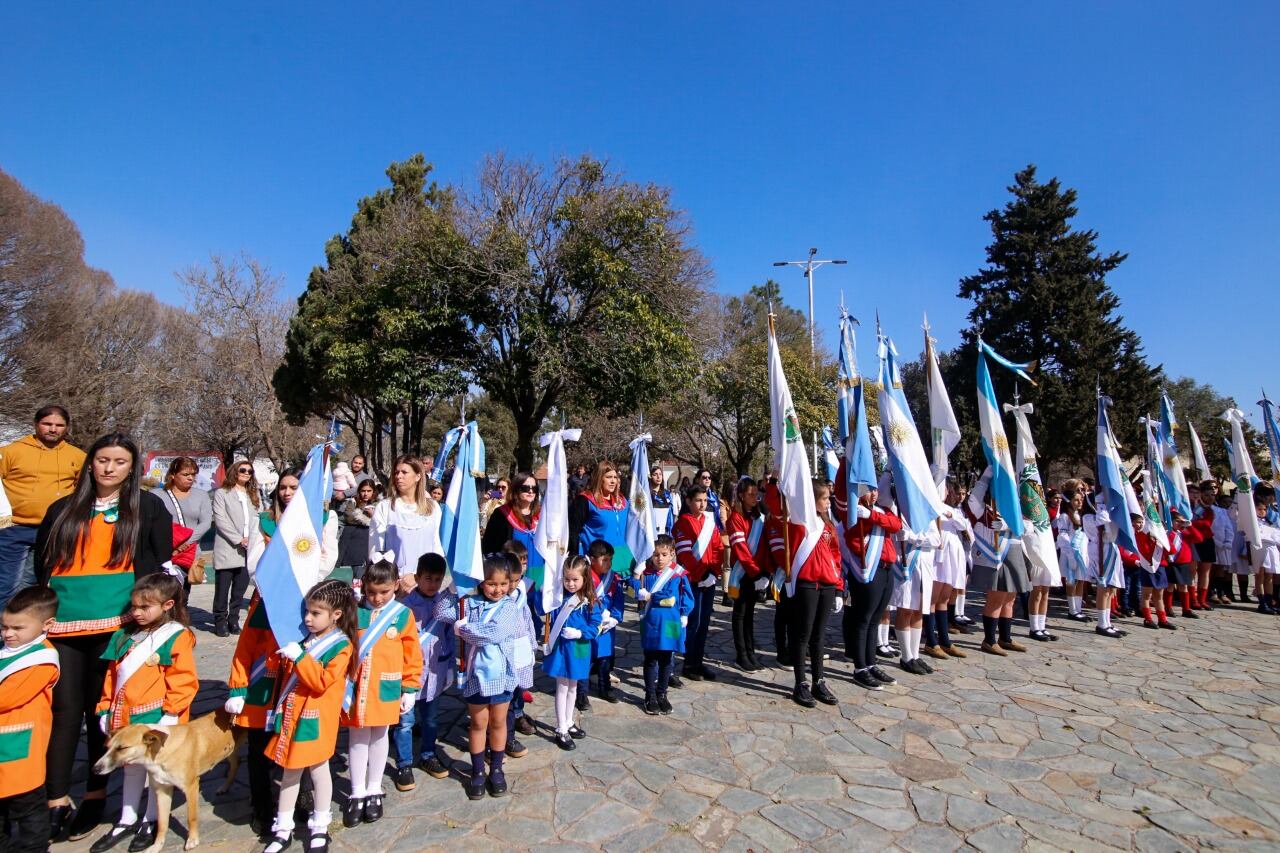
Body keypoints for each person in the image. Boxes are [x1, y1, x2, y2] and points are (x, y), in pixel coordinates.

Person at [35, 433, 171, 842]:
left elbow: (156, 561)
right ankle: (54, 797)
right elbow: (44, 561)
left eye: (119, 462)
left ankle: (95, 795)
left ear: (133, 469)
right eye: (102, 460)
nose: (109, 468)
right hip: (63, 623)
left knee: (101, 712)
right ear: (89, 463)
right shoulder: (62, 509)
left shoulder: (147, 507)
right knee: (62, 712)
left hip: (115, 623)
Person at [89, 574, 196, 852]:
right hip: (125, 717)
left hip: (156, 717)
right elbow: (112, 676)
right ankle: (126, 818)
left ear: (167, 605)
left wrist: (171, 714)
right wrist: (104, 706)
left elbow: (183, 678)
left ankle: (150, 818)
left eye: (144, 607)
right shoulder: (124, 635)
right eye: (134, 607)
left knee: (155, 771)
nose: (136, 612)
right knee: (130, 768)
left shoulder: (176, 636)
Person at [261, 580, 357, 853]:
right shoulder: (305, 639)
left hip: (316, 718)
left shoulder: (341, 645)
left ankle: (320, 826)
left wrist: (300, 658)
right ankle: (283, 828)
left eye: (316, 613)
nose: (308, 618)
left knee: (319, 771)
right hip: (294, 715)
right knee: (290, 772)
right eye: (307, 611)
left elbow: (322, 681)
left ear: (336, 614)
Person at [340, 557, 422, 828]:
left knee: (379, 736)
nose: (376, 598)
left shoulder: (402, 615)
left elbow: (412, 654)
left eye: (384, 592)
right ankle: (356, 791)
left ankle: (374, 787)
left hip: (385, 686)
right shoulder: (354, 612)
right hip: (357, 687)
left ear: (396, 586)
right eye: (371, 592)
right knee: (357, 737)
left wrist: (409, 687)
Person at [437, 556, 524, 799]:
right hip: (475, 676)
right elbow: (441, 611)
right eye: (491, 584)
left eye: (503, 584)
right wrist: (455, 587)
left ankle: (496, 769)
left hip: (501, 675)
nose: (498, 590)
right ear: (480, 583)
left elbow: (493, 633)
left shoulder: (508, 607)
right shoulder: (469, 604)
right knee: (477, 724)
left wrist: (463, 629)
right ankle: (477, 771)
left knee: (498, 723)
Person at [0, 406, 85, 611]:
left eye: (59, 425)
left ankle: (26, 634)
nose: (53, 429)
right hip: (14, 529)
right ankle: (5, 635)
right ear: (36, 424)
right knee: (6, 585)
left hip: (54, 531)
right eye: (47, 424)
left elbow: (81, 491)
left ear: (67, 428)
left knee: (35, 585)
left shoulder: (78, 456)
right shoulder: (11, 451)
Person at [771, 481, 842, 708]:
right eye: (824, 498)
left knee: (819, 636)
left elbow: (836, 557)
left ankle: (818, 681)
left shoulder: (829, 526)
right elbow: (774, 507)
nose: (828, 502)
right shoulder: (798, 524)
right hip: (807, 585)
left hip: (828, 585)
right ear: (813, 501)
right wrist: (777, 483)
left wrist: (839, 587)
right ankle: (800, 683)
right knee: (802, 635)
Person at [0, 586, 60, 853]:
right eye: (4, 627)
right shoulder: (9, 651)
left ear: (47, 624)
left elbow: (7, 698)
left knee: (29, 814)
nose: (8, 634)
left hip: (20, 752)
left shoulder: (42, 660)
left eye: (17, 628)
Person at [393, 553, 455, 786]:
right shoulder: (405, 608)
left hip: (435, 672)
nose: (433, 584)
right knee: (405, 722)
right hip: (410, 674)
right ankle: (404, 763)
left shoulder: (442, 604)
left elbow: (448, 636)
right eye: (428, 578)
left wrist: (450, 666)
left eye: (438, 580)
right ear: (417, 577)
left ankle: (428, 754)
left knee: (430, 720)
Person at [841, 481, 902, 692]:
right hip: (869, 570)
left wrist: (874, 517)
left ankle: (871, 663)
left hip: (887, 569)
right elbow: (854, 542)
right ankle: (860, 668)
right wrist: (868, 519)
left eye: (876, 489)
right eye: (869, 490)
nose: (874, 494)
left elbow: (896, 525)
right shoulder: (853, 514)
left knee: (875, 619)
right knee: (863, 619)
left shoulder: (880, 511)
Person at [966, 469, 1031, 655]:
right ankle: (989, 640)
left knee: (1010, 598)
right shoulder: (985, 509)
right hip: (996, 557)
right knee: (996, 598)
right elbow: (973, 500)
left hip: (1015, 552)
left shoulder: (1014, 508)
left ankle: (1005, 637)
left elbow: (1030, 527)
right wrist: (987, 474)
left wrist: (1009, 524)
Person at [540, 557, 601, 752]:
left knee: (573, 687)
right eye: (567, 579)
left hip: (579, 649)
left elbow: (596, 626)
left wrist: (581, 633)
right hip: (561, 650)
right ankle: (561, 728)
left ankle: (568, 721)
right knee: (562, 687)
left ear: (585, 578)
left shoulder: (591, 601)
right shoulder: (558, 598)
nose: (570, 583)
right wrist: (543, 592)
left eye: (575, 579)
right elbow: (541, 608)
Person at [636, 535, 693, 715]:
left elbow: (678, 596)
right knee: (651, 659)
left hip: (672, 621)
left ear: (672, 554)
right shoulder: (645, 574)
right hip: (652, 621)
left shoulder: (678, 574)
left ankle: (662, 694)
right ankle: (650, 695)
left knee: (667, 659)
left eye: (664, 554)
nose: (659, 558)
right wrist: (636, 581)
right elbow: (633, 590)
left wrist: (685, 612)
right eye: (655, 554)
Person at [368, 456, 442, 594]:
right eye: (396, 473)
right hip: (395, 584)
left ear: (418, 476)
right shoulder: (385, 507)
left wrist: (418, 576)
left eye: (404, 472)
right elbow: (377, 550)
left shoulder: (433, 508)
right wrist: (392, 580)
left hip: (427, 585)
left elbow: (435, 545)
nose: (399, 476)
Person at [673, 486, 724, 681]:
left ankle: (698, 661)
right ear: (688, 501)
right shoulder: (682, 524)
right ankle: (688, 663)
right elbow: (684, 553)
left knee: (704, 623)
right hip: (692, 581)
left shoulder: (710, 522)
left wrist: (714, 571)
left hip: (709, 579)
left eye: (705, 500)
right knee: (693, 623)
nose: (702, 504)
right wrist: (702, 573)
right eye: (698, 500)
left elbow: (718, 548)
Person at [210, 460, 262, 637]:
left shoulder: (253, 494)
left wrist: (253, 539)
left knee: (240, 589)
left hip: (249, 548)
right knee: (223, 588)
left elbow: (259, 517)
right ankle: (220, 620)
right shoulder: (222, 493)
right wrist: (239, 539)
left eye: (250, 471)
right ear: (235, 471)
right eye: (243, 470)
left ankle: (233, 619)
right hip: (228, 547)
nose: (246, 473)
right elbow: (221, 520)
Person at [726, 477, 769, 672]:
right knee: (740, 614)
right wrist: (755, 572)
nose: (755, 497)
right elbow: (741, 549)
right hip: (743, 573)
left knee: (750, 614)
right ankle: (741, 654)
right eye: (751, 494)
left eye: (756, 494)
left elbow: (765, 546)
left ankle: (750, 651)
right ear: (741, 496)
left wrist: (765, 572)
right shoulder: (735, 518)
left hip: (758, 573)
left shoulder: (759, 517)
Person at [155, 457, 212, 604]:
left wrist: (186, 543)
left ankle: (179, 623)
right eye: (185, 474)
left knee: (182, 596)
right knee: (160, 595)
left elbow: (205, 523)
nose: (190, 478)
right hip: (164, 552)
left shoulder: (201, 495)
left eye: (193, 474)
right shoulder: (157, 495)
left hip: (189, 553)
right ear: (173, 475)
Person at [480, 472, 544, 588]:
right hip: (512, 576)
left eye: (534, 488)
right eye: (525, 488)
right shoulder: (501, 515)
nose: (530, 491)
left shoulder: (542, 515)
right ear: (516, 490)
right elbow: (489, 547)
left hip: (538, 573)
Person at [569, 462, 633, 575]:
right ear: (599, 478)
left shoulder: (623, 500)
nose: (613, 481)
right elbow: (573, 532)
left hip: (624, 561)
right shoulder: (585, 500)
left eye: (615, 477)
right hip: (599, 564)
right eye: (608, 477)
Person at [582, 541, 623, 705]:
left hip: (606, 628)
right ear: (592, 559)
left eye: (610, 559)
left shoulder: (614, 578)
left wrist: (615, 617)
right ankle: (581, 692)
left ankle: (604, 687)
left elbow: (619, 599)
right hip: (589, 625)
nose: (608, 563)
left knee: (605, 659)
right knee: (586, 659)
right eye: (604, 560)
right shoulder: (584, 577)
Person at [1055, 483, 1093, 622]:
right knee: (1072, 581)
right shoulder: (1065, 517)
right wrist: (1070, 554)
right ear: (1069, 501)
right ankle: (1072, 610)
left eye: (1081, 500)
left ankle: (1078, 609)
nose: (1080, 502)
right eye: (1076, 500)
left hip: (1081, 553)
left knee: (1080, 581)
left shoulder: (1080, 515)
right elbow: (1063, 536)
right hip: (1070, 553)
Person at [336, 481, 377, 581]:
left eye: (369, 491)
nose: (366, 493)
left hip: (367, 543)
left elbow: (380, 523)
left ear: (373, 492)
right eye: (363, 491)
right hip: (350, 541)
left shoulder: (378, 505)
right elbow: (349, 518)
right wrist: (368, 520)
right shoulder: (352, 502)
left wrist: (373, 517)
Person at [1190, 479, 1220, 611]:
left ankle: (1202, 599)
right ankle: (1193, 599)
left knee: (1205, 572)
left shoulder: (1211, 510)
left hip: (1207, 540)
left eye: (1212, 495)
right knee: (1193, 571)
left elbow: (1207, 524)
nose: (1210, 498)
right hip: (1194, 541)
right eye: (1207, 495)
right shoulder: (1194, 508)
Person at [648, 465, 678, 537]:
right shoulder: (647, 495)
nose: (658, 477)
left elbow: (670, 516)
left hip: (665, 533)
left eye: (660, 474)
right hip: (651, 533)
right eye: (655, 474)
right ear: (650, 477)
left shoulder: (667, 494)